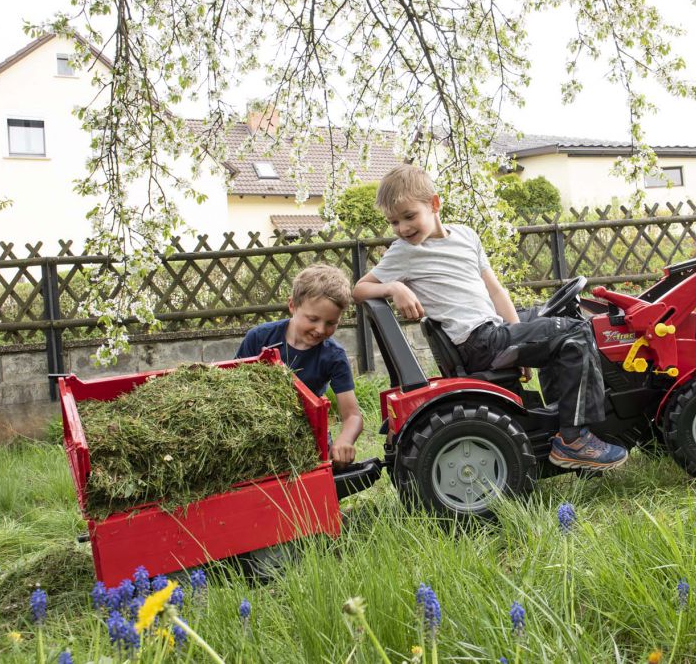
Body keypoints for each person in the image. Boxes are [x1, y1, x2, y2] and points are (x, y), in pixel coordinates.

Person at [352, 164, 627, 471]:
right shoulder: (404, 252)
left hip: (494, 331)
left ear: (434, 204)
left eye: (408, 216)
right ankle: (574, 440)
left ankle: (563, 422)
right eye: (393, 222)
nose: (402, 228)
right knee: (575, 332)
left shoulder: (467, 237)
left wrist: (518, 334)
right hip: (477, 341)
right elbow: (360, 289)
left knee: (554, 318)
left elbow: (496, 293)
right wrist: (395, 287)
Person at [237, 264, 363, 467]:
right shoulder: (259, 338)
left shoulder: (333, 356)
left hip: (307, 433)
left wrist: (345, 440)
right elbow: (234, 387)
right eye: (313, 319)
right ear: (292, 305)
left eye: (331, 323)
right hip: (256, 432)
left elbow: (353, 416)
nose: (320, 329)